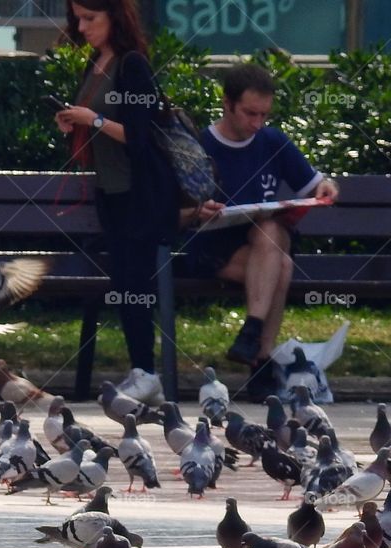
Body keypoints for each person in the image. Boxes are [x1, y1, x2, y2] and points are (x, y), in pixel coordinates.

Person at [186, 63, 339, 401]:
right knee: (280, 264)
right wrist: (199, 210)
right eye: (250, 113)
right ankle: (261, 359)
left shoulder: (272, 141)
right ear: (226, 103)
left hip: (265, 242)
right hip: (218, 246)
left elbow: (314, 183)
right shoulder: (201, 145)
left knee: (269, 227)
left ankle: (251, 331)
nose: (257, 123)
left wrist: (326, 186)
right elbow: (175, 208)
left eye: (264, 115)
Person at [54, 0, 180, 406]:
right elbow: (96, 120)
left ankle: (146, 372)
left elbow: (139, 137)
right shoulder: (96, 61)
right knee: (126, 283)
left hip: (139, 194)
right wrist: (72, 119)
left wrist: (91, 119)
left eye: (91, 17)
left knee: (135, 283)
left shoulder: (132, 65)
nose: (82, 25)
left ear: (114, 17)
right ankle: (141, 372)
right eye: (78, 17)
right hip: (111, 193)